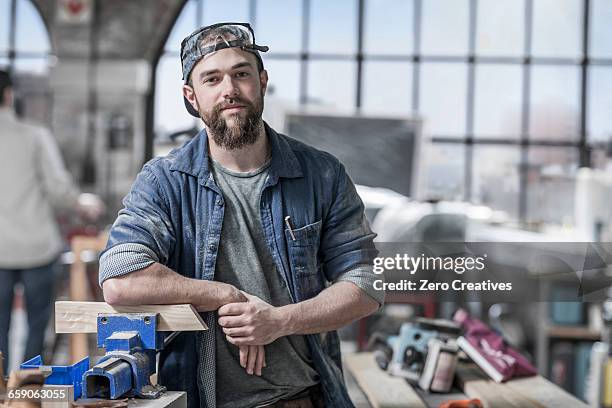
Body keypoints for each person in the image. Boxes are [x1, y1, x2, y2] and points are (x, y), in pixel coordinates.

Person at [99, 22, 383, 408]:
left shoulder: (322, 174)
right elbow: (120, 280)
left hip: (300, 398)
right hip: (202, 399)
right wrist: (224, 295)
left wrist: (278, 321)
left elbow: (365, 286)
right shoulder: (164, 182)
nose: (229, 89)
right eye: (212, 79)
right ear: (191, 96)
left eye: (241, 74)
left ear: (262, 81)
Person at [0, 70, 104, 373]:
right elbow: (59, 192)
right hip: (36, 247)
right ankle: (28, 394)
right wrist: (82, 203)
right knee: (36, 326)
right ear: (9, 95)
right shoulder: (33, 136)